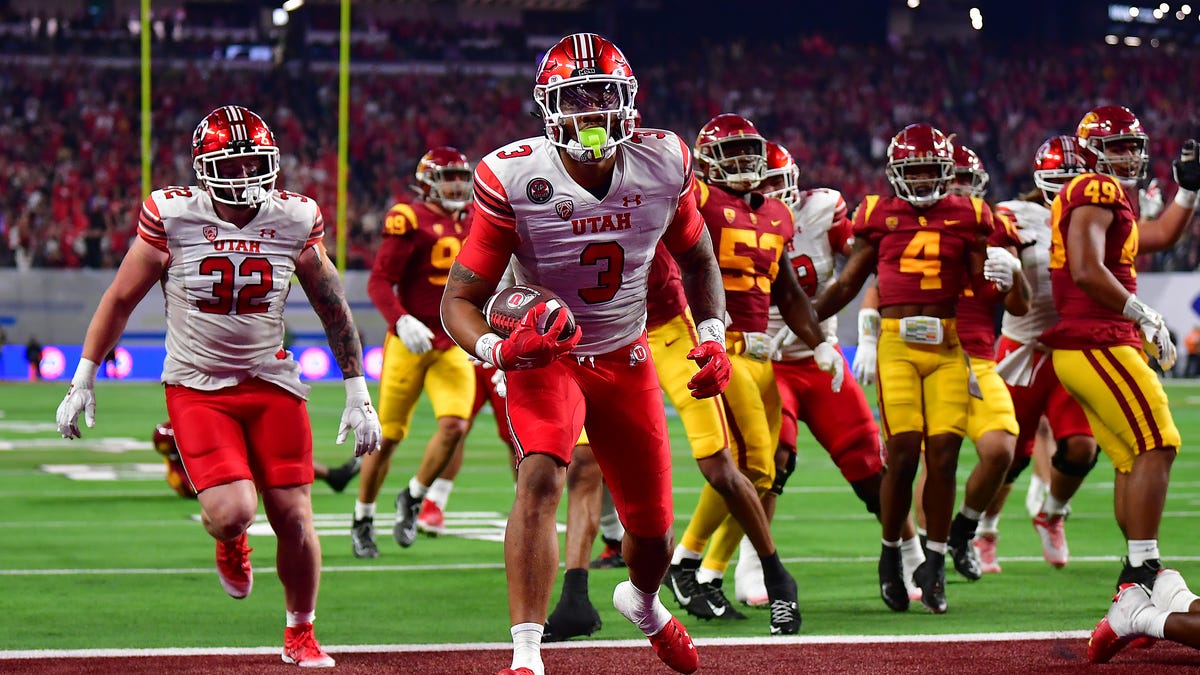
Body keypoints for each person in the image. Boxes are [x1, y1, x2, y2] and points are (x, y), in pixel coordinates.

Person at [54, 105, 382, 669]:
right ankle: (231, 541)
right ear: (204, 168)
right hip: (198, 386)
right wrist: (82, 378)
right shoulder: (172, 213)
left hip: (271, 383)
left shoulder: (294, 216)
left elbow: (332, 303)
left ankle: (300, 632)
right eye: (232, 164)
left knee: (296, 518)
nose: (246, 175)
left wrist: (358, 388)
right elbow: (120, 298)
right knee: (233, 511)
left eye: (255, 162)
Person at [440, 33, 723, 675]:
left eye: (605, 99)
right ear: (549, 106)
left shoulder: (665, 161)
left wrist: (712, 336)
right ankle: (526, 651)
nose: (592, 116)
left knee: (651, 535)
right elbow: (460, 299)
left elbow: (699, 257)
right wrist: (499, 348)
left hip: (625, 354)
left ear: (628, 103)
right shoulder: (512, 174)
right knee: (541, 475)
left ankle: (643, 603)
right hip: (547, 357)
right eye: (578, 100)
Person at [662, 115, 840, 635]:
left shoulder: (778, 214)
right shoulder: (693, 198)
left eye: (749, 152)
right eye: (731, 153)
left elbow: (787, 293)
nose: (743, 163)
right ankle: (691, 564)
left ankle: (693, 566)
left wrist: (822, 343)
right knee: (751, 464)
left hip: (763, 356)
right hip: (719, 346)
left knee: (762, 472)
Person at [813, 123, 998, 614]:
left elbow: (986, 292)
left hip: (947, 345)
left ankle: (934, 561)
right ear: (896, 174)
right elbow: (850, 281)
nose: (919, 182)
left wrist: (1007, 275)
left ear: (946, 172)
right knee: (902, 450)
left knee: (944, 454)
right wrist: (805, 318)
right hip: (895, 343)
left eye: (928, 171)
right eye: (910, 172)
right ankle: (891, 553)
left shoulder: (971, 215)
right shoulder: (878, 215)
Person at [731, 141, 924, 606]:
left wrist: (867, 326)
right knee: (771, 459)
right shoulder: (734, 220)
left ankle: (912, 553)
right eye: (766, 184)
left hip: (820, 358)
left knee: (869, 462)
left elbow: (868, 262)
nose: (776, 191)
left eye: (781, 181)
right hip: (766, 359)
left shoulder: (823, 208)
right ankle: (752, 562)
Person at [1040, 106, 1197, 605]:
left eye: (1133, 144)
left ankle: (1137, 569)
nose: (1129, 155)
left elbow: (1158, 236)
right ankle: (1142, 569)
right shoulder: (1095, 188)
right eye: (1118, 146)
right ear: (1091, 151)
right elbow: (1086, 269)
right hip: (1098, 339)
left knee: (1133, 457)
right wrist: (1144, 313)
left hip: (1094, 342)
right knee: (1159, 442)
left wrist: (1188, 191)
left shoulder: (1107, 198)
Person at [911, 142, 1030, 582]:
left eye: (967, 182)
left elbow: (1019, 306)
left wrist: (1014, 273)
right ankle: (928, 557)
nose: (960, 190)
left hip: (979, 357)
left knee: (1000, 449)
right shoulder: (919, 226)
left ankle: (963, 529)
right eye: (953, 181)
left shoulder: (995, 228)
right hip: (930, 355)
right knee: (933, 460)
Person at [353, 146, 475, 559]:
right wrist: (401, 321)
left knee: (456, 426)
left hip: (452, 340)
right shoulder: (409, 218)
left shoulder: (477, 219)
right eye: (448, 177)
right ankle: (363, 518)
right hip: (409, 342)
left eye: (461, 176)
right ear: (427, 182)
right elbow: (379, 281)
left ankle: (413, 495)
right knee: (386, 437)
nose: (457, 184)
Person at [983, 134, 1097, 572]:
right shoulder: (1014, 215)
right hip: (1023, 347)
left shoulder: (1099, 213)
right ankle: (987, 528)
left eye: (1075, 176)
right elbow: (1007, 290)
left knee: (1083, 448)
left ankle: (1052, 513)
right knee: (1011, 454)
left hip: (1072, 346)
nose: (1068, 185)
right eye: (1059, 177)